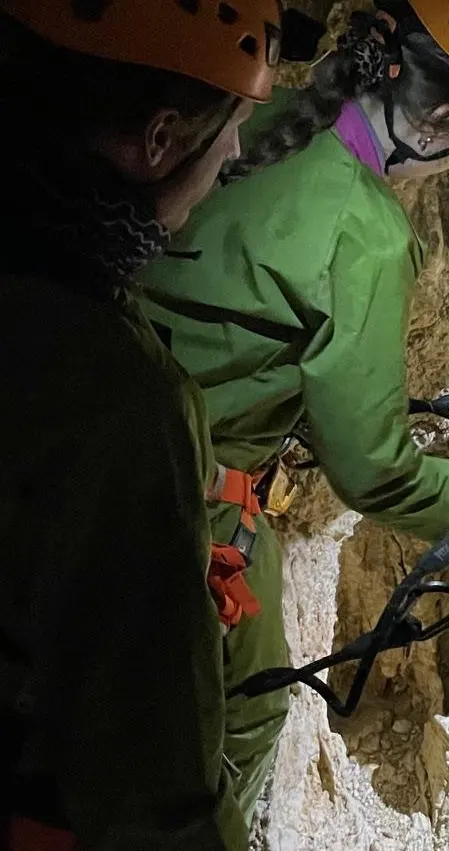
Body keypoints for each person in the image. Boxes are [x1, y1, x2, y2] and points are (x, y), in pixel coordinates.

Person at [135, 0, 449, 815]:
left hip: (115, 387)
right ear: (438, 122)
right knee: (249, 704)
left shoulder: (261, 114)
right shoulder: (367, 234)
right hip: (181, 484)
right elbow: (372, 466)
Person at [0, 0, 282, 846]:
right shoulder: (122, 403)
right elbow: (155, 793)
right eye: (229, 125)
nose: (235, 151)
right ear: (159, 139)